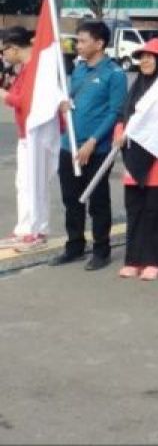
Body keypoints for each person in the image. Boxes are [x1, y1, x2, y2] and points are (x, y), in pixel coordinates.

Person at [50, 21, 127, 270]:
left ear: (99, 43)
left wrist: (93, 141)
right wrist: (65, 105)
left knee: (98, 201)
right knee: (71, 199)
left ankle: (101, 250)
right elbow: (73, 100)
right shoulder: (78, 70)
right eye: (78, 40)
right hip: (69, 145)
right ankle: (74, 246)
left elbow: (115, 112)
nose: (78, 45)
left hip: (97, 150)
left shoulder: (114, 74)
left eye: (83, 41)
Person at [116, 38, 158, 280]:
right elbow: (123, 115)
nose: (146, 61)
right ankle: (134, 259)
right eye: (143, 57)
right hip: (134, 159)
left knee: (156, 212)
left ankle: (157, 260)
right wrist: (119, 132)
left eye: (152, 57)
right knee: (135, 211)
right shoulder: (136, 87)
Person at [0, 27, 53, 252]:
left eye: (3, 51)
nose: (3, 56)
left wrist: (3, 94)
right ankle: (25, 229)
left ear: (13, 47)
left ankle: (36, 230)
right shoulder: (25, 69)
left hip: (36, 134)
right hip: (25, 134)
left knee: (35, 184)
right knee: (24, 183)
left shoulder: (36, 69)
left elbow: (23, 101)